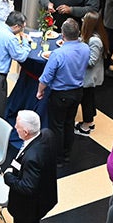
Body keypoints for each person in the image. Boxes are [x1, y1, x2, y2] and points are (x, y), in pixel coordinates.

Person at [2, 110, 57, 223]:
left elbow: (27, 187)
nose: (15, 127)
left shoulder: (32, 157)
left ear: (26, 132)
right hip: (42, 198)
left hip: (27, 207)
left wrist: (8, 177)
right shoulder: (46, 135)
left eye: (17, 126)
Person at [37, 18, 89, 163]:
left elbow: (45, 78)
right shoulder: (85, 48)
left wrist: (40, 91)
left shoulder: (58, 54)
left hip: (61, 94)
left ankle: (57, 158)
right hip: (78, 92)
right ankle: (66, 153)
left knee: (57, 126)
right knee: (69, 122)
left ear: (62, 34)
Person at [75, 12, 106, 136]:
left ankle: (87, 125)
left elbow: (91, 61)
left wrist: (77, 57)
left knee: (86, 100)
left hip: (89, 77)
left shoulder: (95, 41)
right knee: (88, 99)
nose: (82, 20)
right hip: (88, 77)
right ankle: (89, 120)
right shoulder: (92, 36)